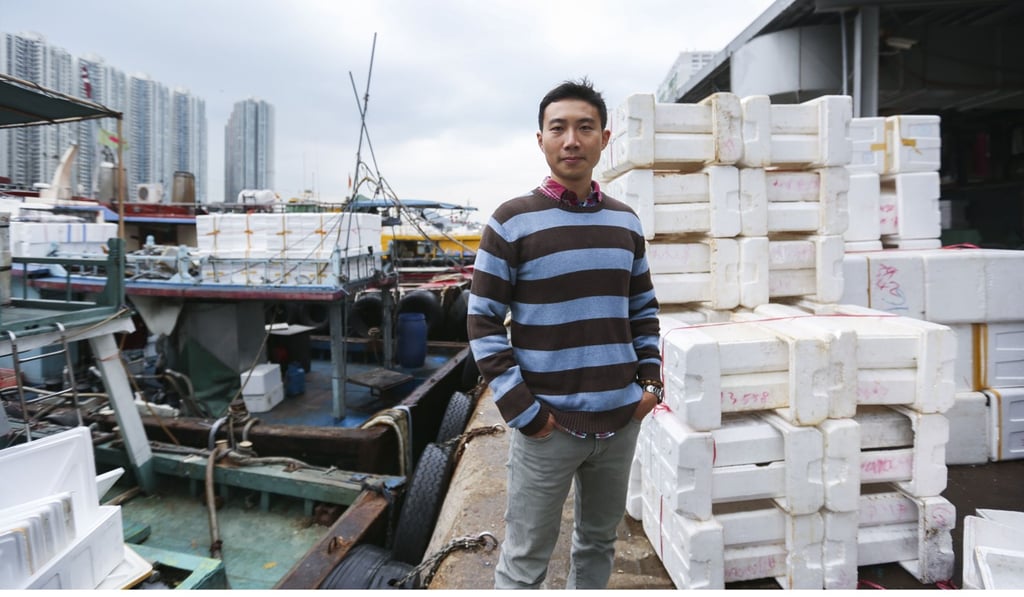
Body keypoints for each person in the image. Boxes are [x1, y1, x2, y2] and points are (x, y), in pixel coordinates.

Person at [466, 78, 663, 589]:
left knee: (598, 545)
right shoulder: (511, 222)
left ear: (604, 138)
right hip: (547, 426)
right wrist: (525, 413)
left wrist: (651, 387)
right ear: (541, 140)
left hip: (620, 423)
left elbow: (642, 309)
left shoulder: (625, 223)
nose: (571, 139)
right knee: (526, 558)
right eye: (559, 128)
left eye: (584, 127)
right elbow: (483, 321)